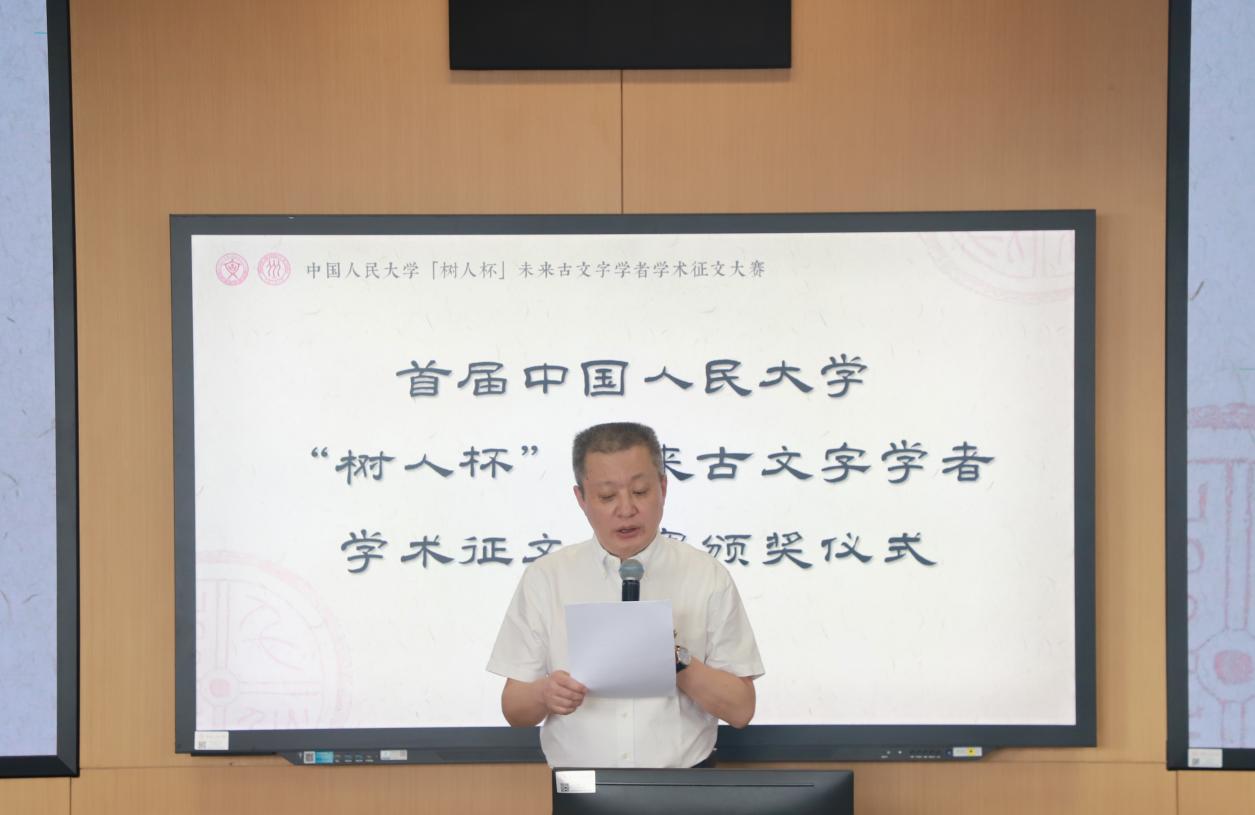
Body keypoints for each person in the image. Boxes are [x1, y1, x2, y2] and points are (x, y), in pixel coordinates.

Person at [486, 421, 763, 768]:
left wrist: (675, 661)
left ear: (663, 487)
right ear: (581, 499)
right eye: (607, 496)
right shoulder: (547, 578)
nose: (627, 509)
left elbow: (741, 709)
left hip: (684, 784)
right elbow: (514, 709)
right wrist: (545, 693)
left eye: (641, 491)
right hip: (582, 787)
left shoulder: (706, 575)